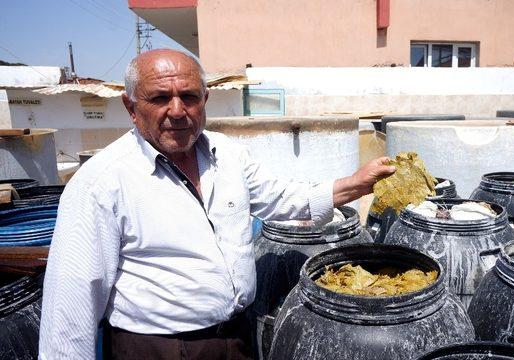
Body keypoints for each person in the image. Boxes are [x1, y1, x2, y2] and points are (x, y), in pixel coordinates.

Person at [38, 49, 395, 360]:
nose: (177, 111)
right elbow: (72, 302)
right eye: (160, 98)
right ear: (131, 108)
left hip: (234, 341)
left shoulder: (227, 155)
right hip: (156, 349)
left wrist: (355, 183)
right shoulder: (102, 182)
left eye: (189, 96)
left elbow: (283, 198)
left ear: (204, 100)